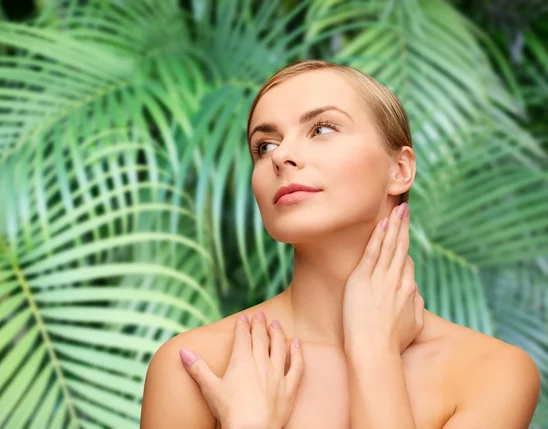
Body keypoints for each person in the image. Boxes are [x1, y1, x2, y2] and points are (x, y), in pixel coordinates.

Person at [140, 60, 540, 429]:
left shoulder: (492, 372)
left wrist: (373, 351)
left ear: (400, 170)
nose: (283, 156)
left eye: (322, 129)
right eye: (265, 146)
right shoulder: (199, 366)